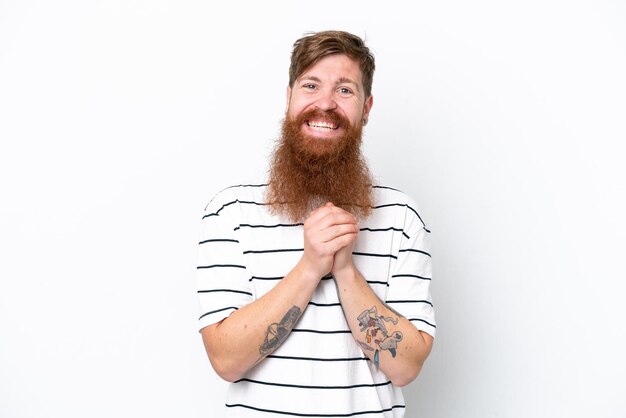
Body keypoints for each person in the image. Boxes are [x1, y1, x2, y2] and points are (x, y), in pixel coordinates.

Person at [196, 30, 435, 417]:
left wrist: (344, 269)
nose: (325, 103)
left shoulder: (401, 217)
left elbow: (405, 366)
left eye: (345, 90)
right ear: (288, 97)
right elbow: (226, 360)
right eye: (311, 85)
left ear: (367, 107)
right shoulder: (231, 213)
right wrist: (310, 266)